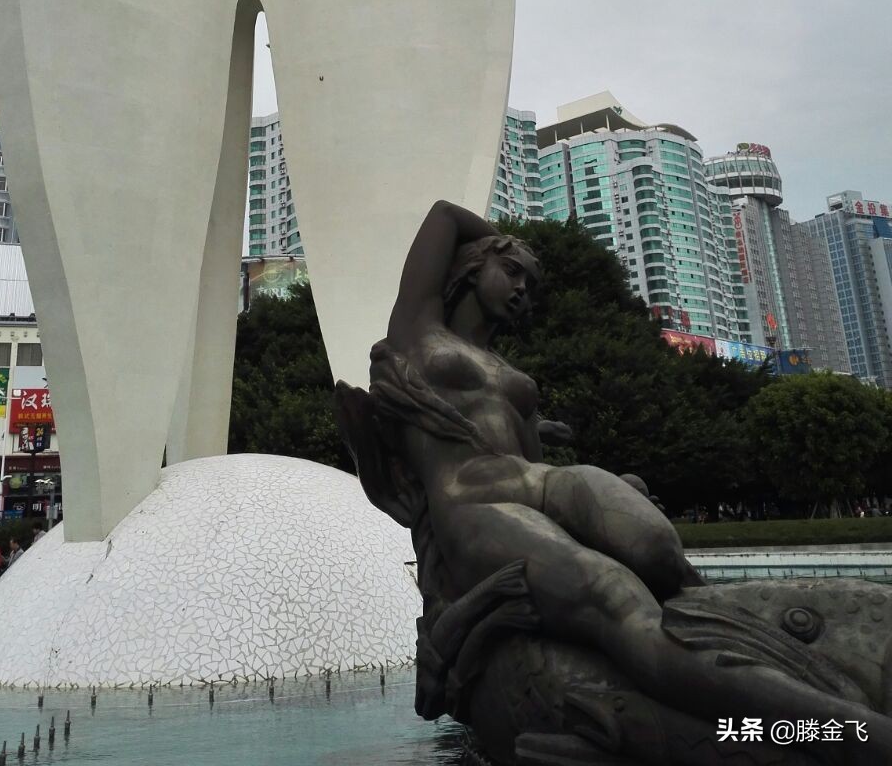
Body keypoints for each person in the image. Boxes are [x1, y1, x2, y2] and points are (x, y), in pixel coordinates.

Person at [365, 199, 892, 760]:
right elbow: (444, 215)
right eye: (512, 272)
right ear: (471, 268)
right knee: (612, 598)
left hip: (542, 482)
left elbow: (529, 458)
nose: (522, 289)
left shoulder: (509, 372)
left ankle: (747, 667)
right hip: (476, 507)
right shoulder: (416, 334)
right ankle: (852, 732)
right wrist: (506, 241)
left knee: (657, 553)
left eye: (531, 284)